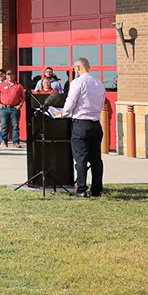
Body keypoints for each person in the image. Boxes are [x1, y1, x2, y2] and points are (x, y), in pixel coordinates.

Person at [59, 57, 105, 197]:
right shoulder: (99, 83)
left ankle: (81, 189)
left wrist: (63, 114)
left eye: (74, 68)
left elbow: (71, 101)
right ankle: (96, 189)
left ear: (78, 67)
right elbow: (102, 101)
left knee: (81, 158)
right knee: (96, 159)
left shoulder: (78, 82)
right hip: (96, 123)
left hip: (81, 123)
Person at [0, 70, 25, 148]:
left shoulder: (19, 86)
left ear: (14, 76)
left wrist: (20, 105)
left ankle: (16, 142)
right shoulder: (1, 85)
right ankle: (4, 142)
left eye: (11, 75)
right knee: (4, 125)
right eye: (8, 75)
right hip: (4, 108)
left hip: (14, 108)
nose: (10, 76)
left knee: (15, 126)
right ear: (6, 76)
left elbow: (23, 97)